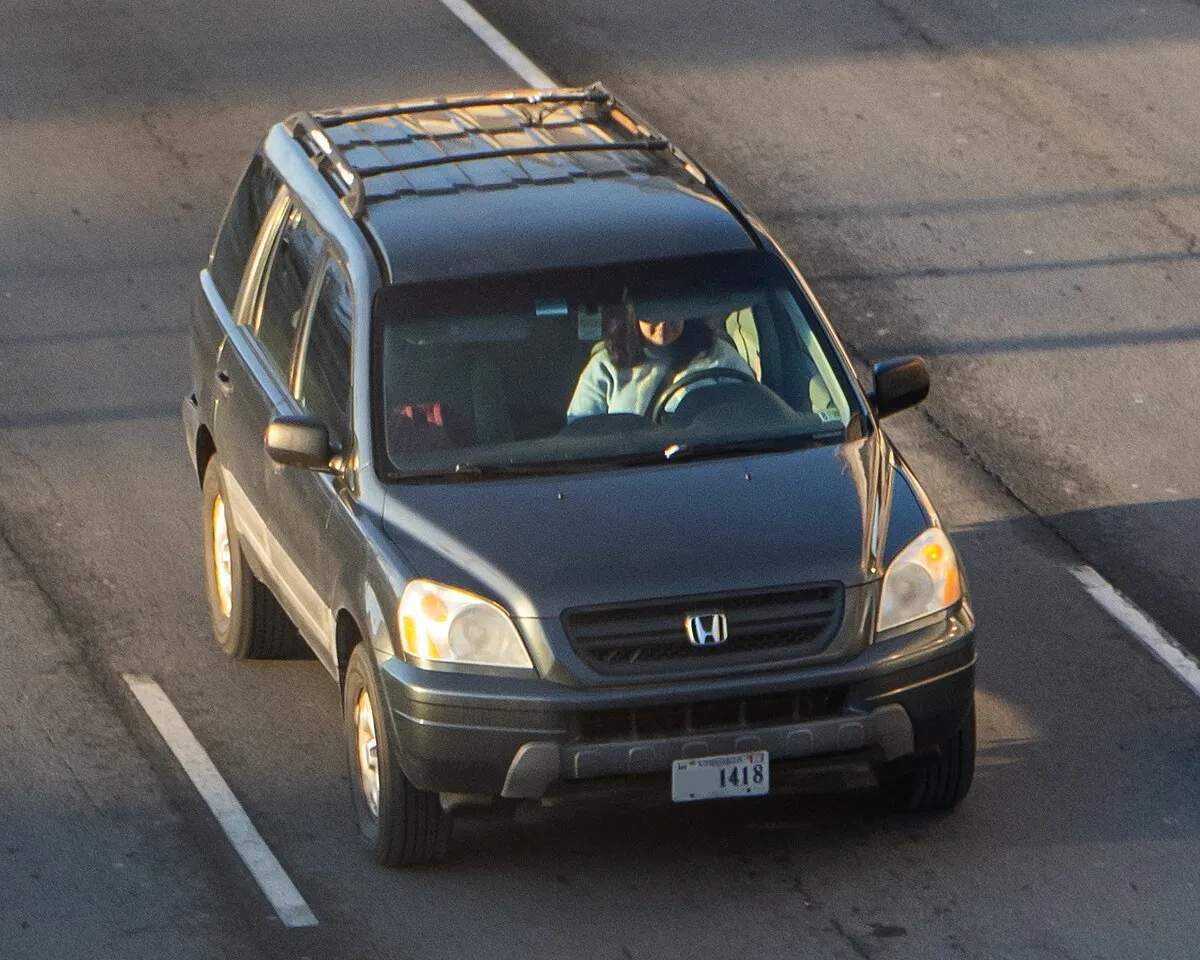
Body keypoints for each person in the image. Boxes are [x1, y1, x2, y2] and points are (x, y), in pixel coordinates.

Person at [567, 299, 754, 420]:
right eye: (653, 316)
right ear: (634, 314)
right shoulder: (605, 366)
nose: (663, 326)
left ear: (688, 313)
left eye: (672, 315)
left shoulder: (718, 355)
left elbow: (751, 412)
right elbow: (582, 433)